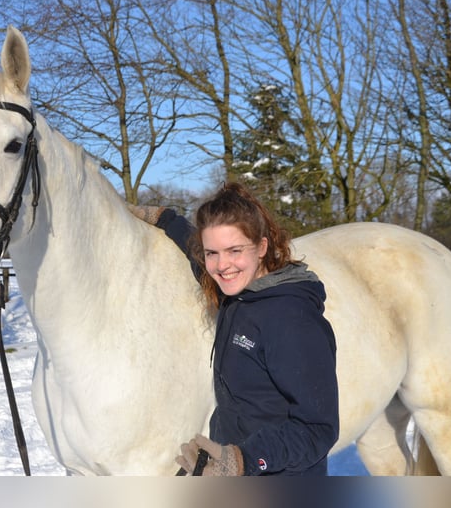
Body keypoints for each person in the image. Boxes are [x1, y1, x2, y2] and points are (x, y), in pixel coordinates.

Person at [131, 182, 339, 476]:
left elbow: (317, 429)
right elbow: (200, 259)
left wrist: (243, 459)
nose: (222, 265)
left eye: (234, 250)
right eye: (212, 253)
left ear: (262, 247)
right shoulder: (238, 291)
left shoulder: (293, 320)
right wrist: (167, 219)